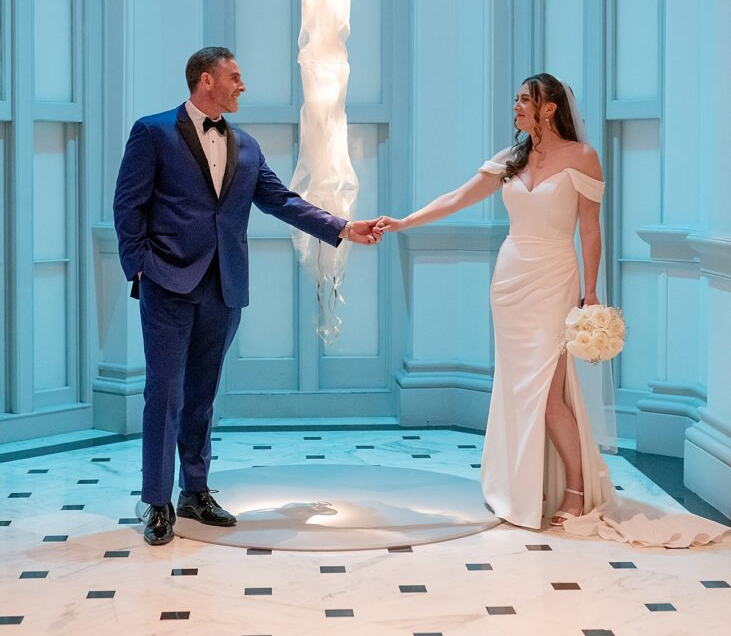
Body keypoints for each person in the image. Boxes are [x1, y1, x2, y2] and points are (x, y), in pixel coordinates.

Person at [376, 73, 729, 547]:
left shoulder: (583, 158)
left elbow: (590, 230)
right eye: (517, 99)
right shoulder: (510, 159)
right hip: (510, 280)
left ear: (548, 108)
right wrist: (403, 222)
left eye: (526, 99)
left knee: (547, 392)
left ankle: (577, 491)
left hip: (554, 278)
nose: (517, 106)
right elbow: (457, 198)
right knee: (517, 388)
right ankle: (519, 488)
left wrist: (591, 293)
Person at [113, 47, 381, 546]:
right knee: (164, 393)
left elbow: (282, 201)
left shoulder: (248, 146)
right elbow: (128, 206)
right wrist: (142, 269)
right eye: (235, 77)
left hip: (224, 286)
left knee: (202, 395)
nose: (243, 86)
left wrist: (343, 228)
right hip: (167, 283)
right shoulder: (152, 132)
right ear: (206, 80)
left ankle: (195, 491)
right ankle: (157, 500)